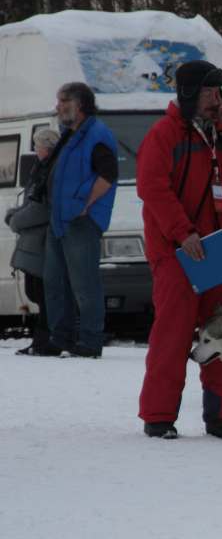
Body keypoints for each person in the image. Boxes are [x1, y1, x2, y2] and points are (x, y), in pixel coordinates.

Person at [135, 60, 222, 441]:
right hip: (179, 251)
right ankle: (159, 417)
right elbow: (152, 189)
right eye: (209, 93)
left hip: (217, 251)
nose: (215, 100)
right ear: (189, 95)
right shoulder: (164, 135)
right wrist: (183, 233)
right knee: (173, 334)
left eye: (219, 93)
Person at [44, 82, 118, 358]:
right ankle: (59, 337)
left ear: (81, 105)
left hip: (80, 221)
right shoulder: (69, 134)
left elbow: (108, 175)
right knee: (54, 282)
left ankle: (90, 340)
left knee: (85, 284)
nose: (58, 106)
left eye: (64, 101)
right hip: (60, 220)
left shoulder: (97, 135)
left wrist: (85, 205)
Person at [4, 129, 62, 356]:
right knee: (36, 291)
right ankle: (41, 339)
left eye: (37, 146)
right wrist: (16, 214)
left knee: (42, 292)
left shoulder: (49, 170)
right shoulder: (42, 169)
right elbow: (31, 201)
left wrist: (16, 220)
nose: (35, 150)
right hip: (34, 241)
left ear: (46, 148)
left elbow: (40, 207)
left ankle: (45, 339)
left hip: (42, 241)